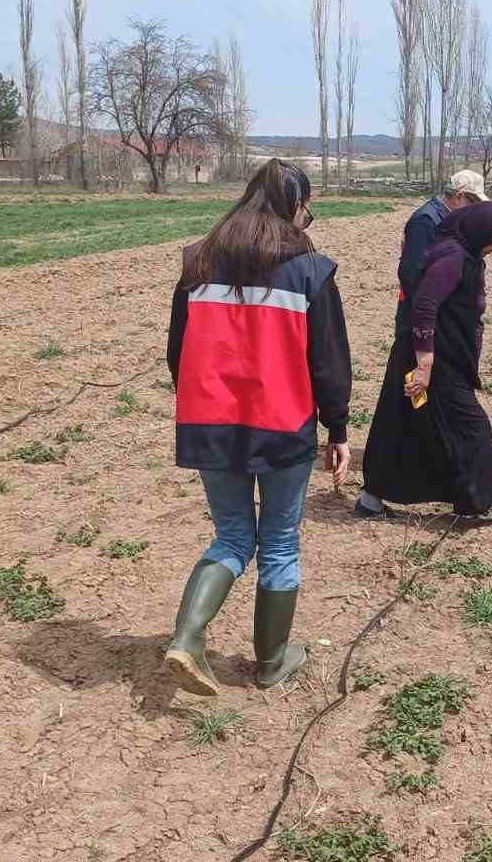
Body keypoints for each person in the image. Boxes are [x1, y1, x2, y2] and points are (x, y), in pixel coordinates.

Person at [163, 159, 351, 694]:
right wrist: (337, 429)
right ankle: (270, 661)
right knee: (279, 543)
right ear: (295, 208)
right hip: (283, 425)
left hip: (210, 423)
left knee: (232, 536)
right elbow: (329, 362)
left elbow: (178, 353)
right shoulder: (310, 270)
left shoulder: (197, 263)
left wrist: (202, 402)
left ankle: (188, 636)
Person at [356, 203, 492, 523]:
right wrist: (425, 364)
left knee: (402, 426)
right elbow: (424, 305)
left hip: (431, 355)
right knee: (472, 427)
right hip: (433, 360)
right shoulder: (453, 258)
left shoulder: (467, 256)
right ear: (480, 232)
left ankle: (371, 501)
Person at [397, 170, 488, 308]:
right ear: (459, 196)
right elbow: (411, 274)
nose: (474, 209)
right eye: (473, 203)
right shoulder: (426, 221)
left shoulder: (448, 218)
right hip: (422, 313)